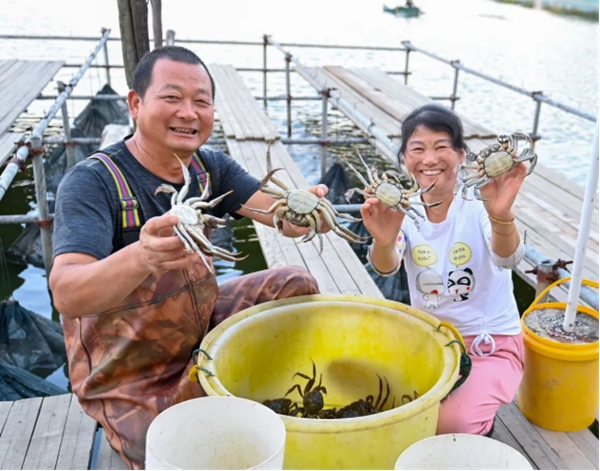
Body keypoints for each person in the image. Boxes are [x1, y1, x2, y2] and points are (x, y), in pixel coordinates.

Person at [49, 46, 327, 469]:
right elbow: (66, 293)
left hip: (197, 328)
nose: (189, 112)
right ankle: (192, 395)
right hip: (128, 371)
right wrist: (143, 256)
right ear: (136, 104)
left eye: (201, 101)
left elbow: (281, 217)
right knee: (176, 449)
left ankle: (231, 379)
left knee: (294, 284)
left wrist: (309, 213)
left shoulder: (209, 168)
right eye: (172, 97)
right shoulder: (93, 182)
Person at [361, 103, 526, 436]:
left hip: (488, 343)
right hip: (429, 340)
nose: (429, 159)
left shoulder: (480, 203)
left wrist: (502, 215)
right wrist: (382, 239)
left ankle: (481, 418)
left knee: (450, 424)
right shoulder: (402, 209)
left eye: (441, 147)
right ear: (405, 159)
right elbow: (388, 266)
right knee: (386, 405)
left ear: (462, 155)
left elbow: (507, 258)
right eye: (417, 149)